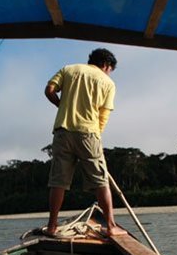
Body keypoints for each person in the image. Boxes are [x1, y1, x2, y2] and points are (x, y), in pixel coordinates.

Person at [44, 48, 126, 237]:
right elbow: (104, 114)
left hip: (62, 132)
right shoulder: (108, 82)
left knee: (58, 181)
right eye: (110, 69)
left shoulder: (69, 69)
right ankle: (111, 226)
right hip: (88, 133)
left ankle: (51, 227)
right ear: (106, 65)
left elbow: (49, 90)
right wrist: (97, 135)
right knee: (100, 181)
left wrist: (62, 106)